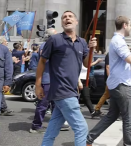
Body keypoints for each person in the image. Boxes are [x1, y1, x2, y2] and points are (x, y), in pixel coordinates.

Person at [35, 10, 97, 146]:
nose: (67, 18)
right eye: (64, 17)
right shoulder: (55, 39)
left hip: (72, 90)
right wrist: (38, 84)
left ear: (76, 22)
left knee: (52, 129)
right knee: (81, 128)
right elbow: (42, 61)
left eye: (70, 16)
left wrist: (92, 49)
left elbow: (86, 63)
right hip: (62, 90)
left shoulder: (82, 42)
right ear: (62, 23)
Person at [86, 16, 131, 146]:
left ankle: (89, 138)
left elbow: (124, 64)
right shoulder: (118, 41)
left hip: (117, 83)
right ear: (125, 25)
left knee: (112, 115)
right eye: (130, 25)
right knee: (129, 118)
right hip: (122, 85)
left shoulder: (118, 40)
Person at [30, 28, 66, 134]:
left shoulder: (50, 45)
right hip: (47, 78)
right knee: (43, 104)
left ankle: (56, 124)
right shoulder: (46, 46)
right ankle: (36, 125)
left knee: (56, 103)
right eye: (56, 35)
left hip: (54, 78)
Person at [92, 52, 110, 118]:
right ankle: (97, 109)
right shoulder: (110, 54)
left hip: (113, 79)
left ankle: (97, 109)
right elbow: (108, 67)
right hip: (111, 79)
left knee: (107, 95)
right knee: (108, 95)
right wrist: (110, 78)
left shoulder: (113, 54)